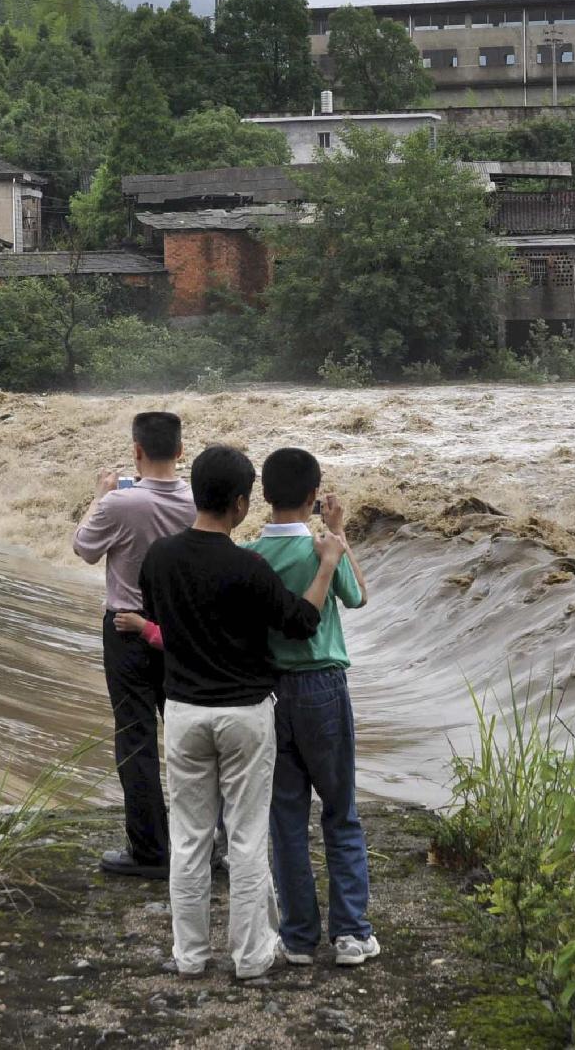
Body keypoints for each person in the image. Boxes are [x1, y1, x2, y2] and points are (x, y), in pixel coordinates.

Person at [134, 444, 347, 981]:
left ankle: (190, 955)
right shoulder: (247, 566)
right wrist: (326, 566)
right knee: (248, 837)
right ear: (239, 503)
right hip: (245, 715)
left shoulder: (159, 557)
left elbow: (156, 618)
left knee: (190, 838)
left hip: (182, 711)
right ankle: (251, 957)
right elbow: (300, 622)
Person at [248, 447, 379, 967]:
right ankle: (350, 934)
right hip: (323, 687)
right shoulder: (323, 547)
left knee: (285, 818)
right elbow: (359, 596)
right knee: (340, 811)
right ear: (313, 496)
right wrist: (340, 536)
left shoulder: (251, 554)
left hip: (269, 692)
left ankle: (299, 937)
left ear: (263, 495)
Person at [71, 410, 192, 879]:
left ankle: (150, 850)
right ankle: (205, 843)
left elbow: (84, 548)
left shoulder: (119, 504)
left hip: (126, 629)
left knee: (136, 739)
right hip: (183, 631)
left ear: (136, 452)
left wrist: (97, 498)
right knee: (189, 737)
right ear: (181, 452)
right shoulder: (199, 499)